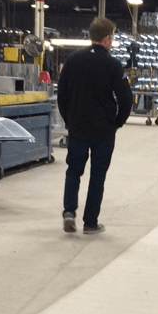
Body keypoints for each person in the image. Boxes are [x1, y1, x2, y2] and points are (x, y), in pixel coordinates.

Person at [57, 17, 133, 235]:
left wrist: (69, 120)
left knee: (73, 170)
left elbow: (62, 95)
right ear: (107, 39)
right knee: (97, 175)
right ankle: (90, 223)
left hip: (78, 128)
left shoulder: (72, 61)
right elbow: (125, 99)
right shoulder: (113, 65)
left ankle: (69, 211)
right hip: (103, 131)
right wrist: (117, 123)